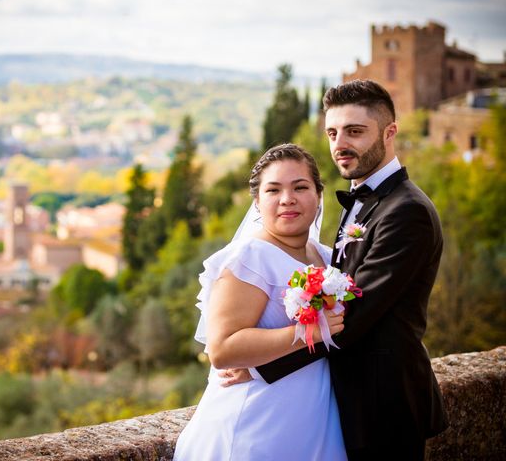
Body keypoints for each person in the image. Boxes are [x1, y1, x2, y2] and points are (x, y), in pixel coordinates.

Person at [223, 79, 449, 460]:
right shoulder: (362, 198)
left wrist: (263, 367)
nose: (340, 144)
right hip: (346, 399)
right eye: (332, 132)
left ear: (390, 132)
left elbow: (355, 314)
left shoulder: (406, 212)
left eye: (355, 131)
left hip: (383, 404)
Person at [173, 144, 347, 460]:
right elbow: (223, 349)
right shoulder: (249, 259)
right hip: (256, 424)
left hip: (311, 421)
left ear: (318, 195)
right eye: (273, 190)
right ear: (257, 202)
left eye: (300, 187)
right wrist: (308, 332)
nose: (287, 199)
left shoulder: (325, 257)